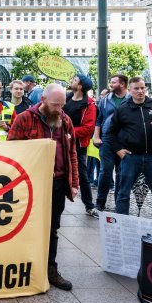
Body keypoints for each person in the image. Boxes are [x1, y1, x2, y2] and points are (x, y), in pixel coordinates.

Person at [8, 83, 78, 291]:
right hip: (31, 184)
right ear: (44, 100)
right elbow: (11, 151)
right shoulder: (24, 119)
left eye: (62, 105)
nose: (59, 109)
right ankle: (23, 267)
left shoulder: (65, 120)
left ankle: (50, 269)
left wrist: (73, 183)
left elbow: (72, 152)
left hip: (56, 183)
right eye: (56, 104)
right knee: (26, 226)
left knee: (52, 227)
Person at [108, 77, 152, 221]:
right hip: (131, 157)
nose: (140, 91)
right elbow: (110, 133)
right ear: (130, 90)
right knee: (123, 194)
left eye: (143, 88)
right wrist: (118, 149)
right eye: (136, 88)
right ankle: (122, 224)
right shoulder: (123, 109)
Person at [94, 74, 130, 210]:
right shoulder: (105, 100)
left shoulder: (131, 99)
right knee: (105, 172)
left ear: (122, 84)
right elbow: (99, 119)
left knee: (122, 172)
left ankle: (119, 203)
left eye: (113, 82)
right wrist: (96, 136)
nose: (111, 84)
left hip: (124, 142)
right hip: (107, 141)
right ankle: (100, 202)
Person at [64, 75, 98, 217]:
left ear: (80, 86)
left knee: (82, 175)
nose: (71, 80)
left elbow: (88, 128)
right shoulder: (65, 98)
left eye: (75, 79)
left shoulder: (89, 105)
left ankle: (89, 206)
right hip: (60, 142)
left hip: (77, 144)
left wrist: (68, 133)